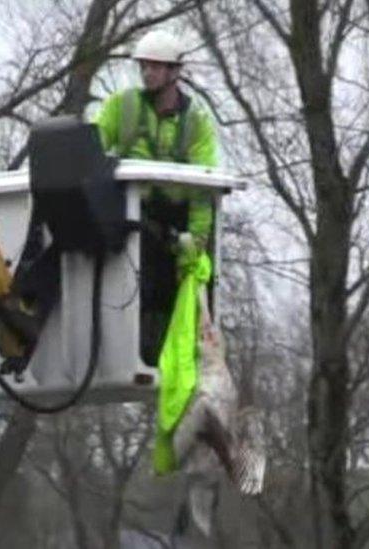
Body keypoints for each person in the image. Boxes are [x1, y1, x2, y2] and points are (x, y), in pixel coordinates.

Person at [93, 30, 264, 498]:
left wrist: (199, 242)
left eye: (154, 66)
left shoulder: (197, 123)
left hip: (181, 224)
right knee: (142, 292)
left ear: (174, 72)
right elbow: (93, 147)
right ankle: (153, 356)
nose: (146, 72)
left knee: (192, 309)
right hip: (136, 220)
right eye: (142, 65)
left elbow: (205, 185)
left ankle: (203, 404)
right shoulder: (121, 107)